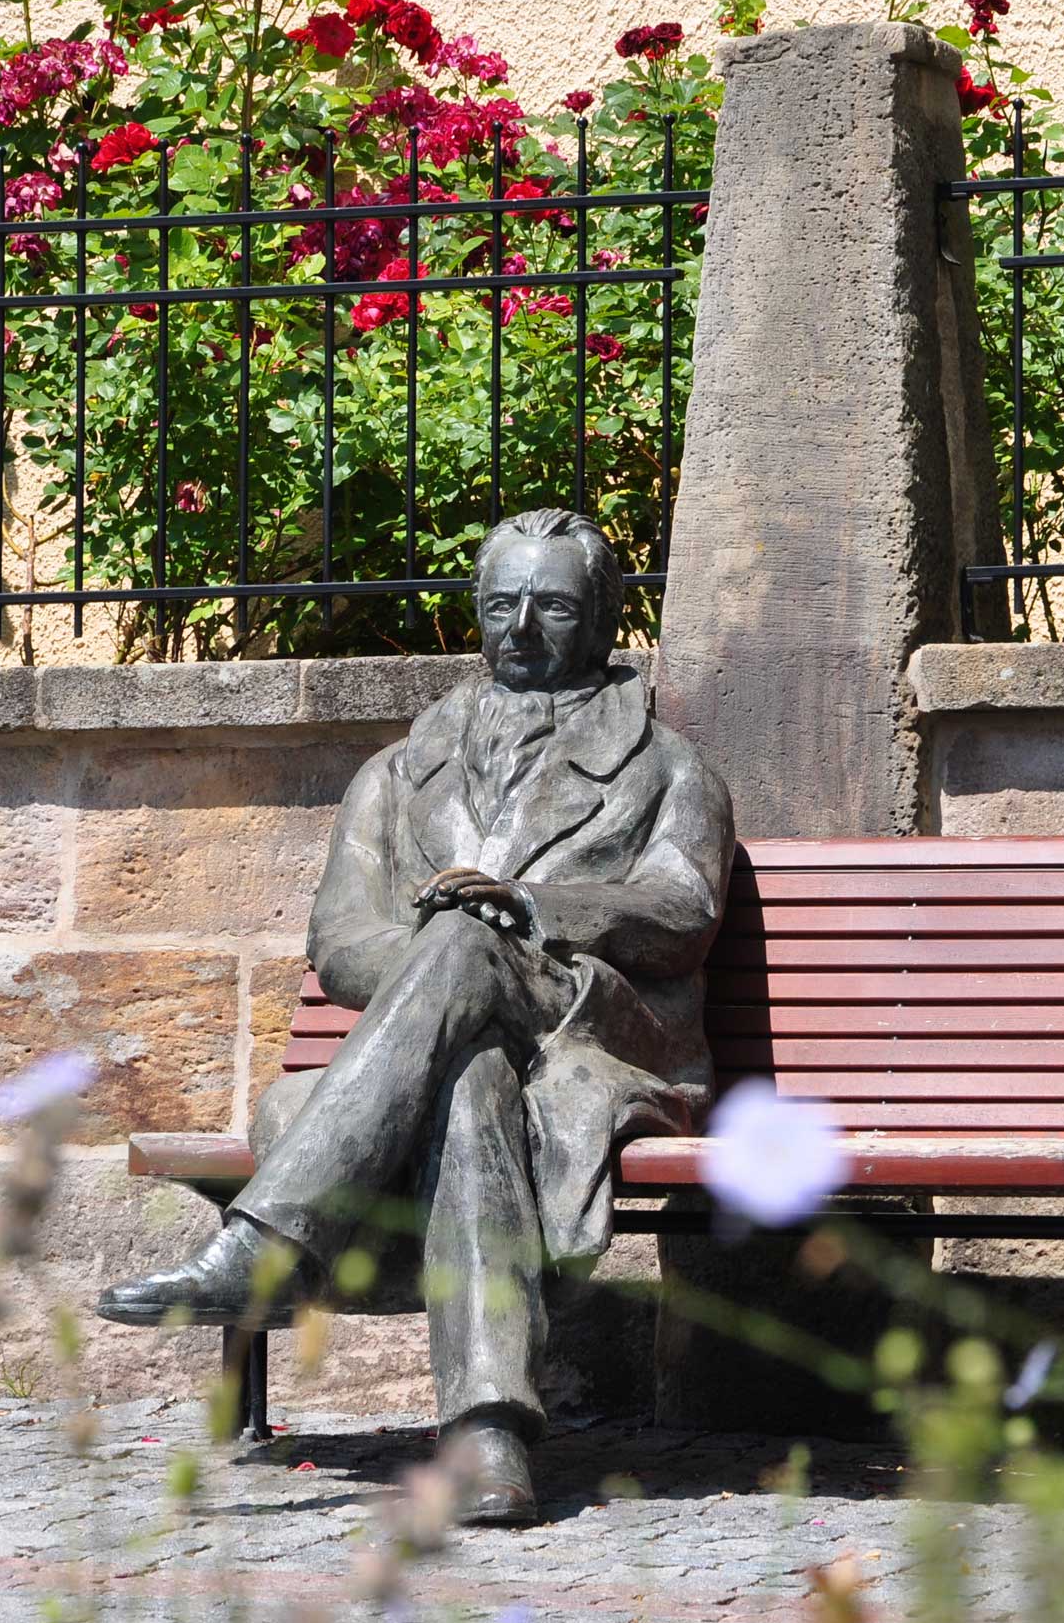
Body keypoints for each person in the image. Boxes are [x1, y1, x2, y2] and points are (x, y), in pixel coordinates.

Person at [95, 508, 735, 1527]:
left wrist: (520, 915)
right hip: (452, 1057)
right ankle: (488, 1434)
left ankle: (269, 1238)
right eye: (500, 604)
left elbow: (681, 913)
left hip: (588, 1038)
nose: (521, 627)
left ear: (609, 616)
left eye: (555, 606)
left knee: (468, 941)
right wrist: (447, 957)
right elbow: (343, 938)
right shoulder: (399, 772)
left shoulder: (667, 767)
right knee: (468, 1076)